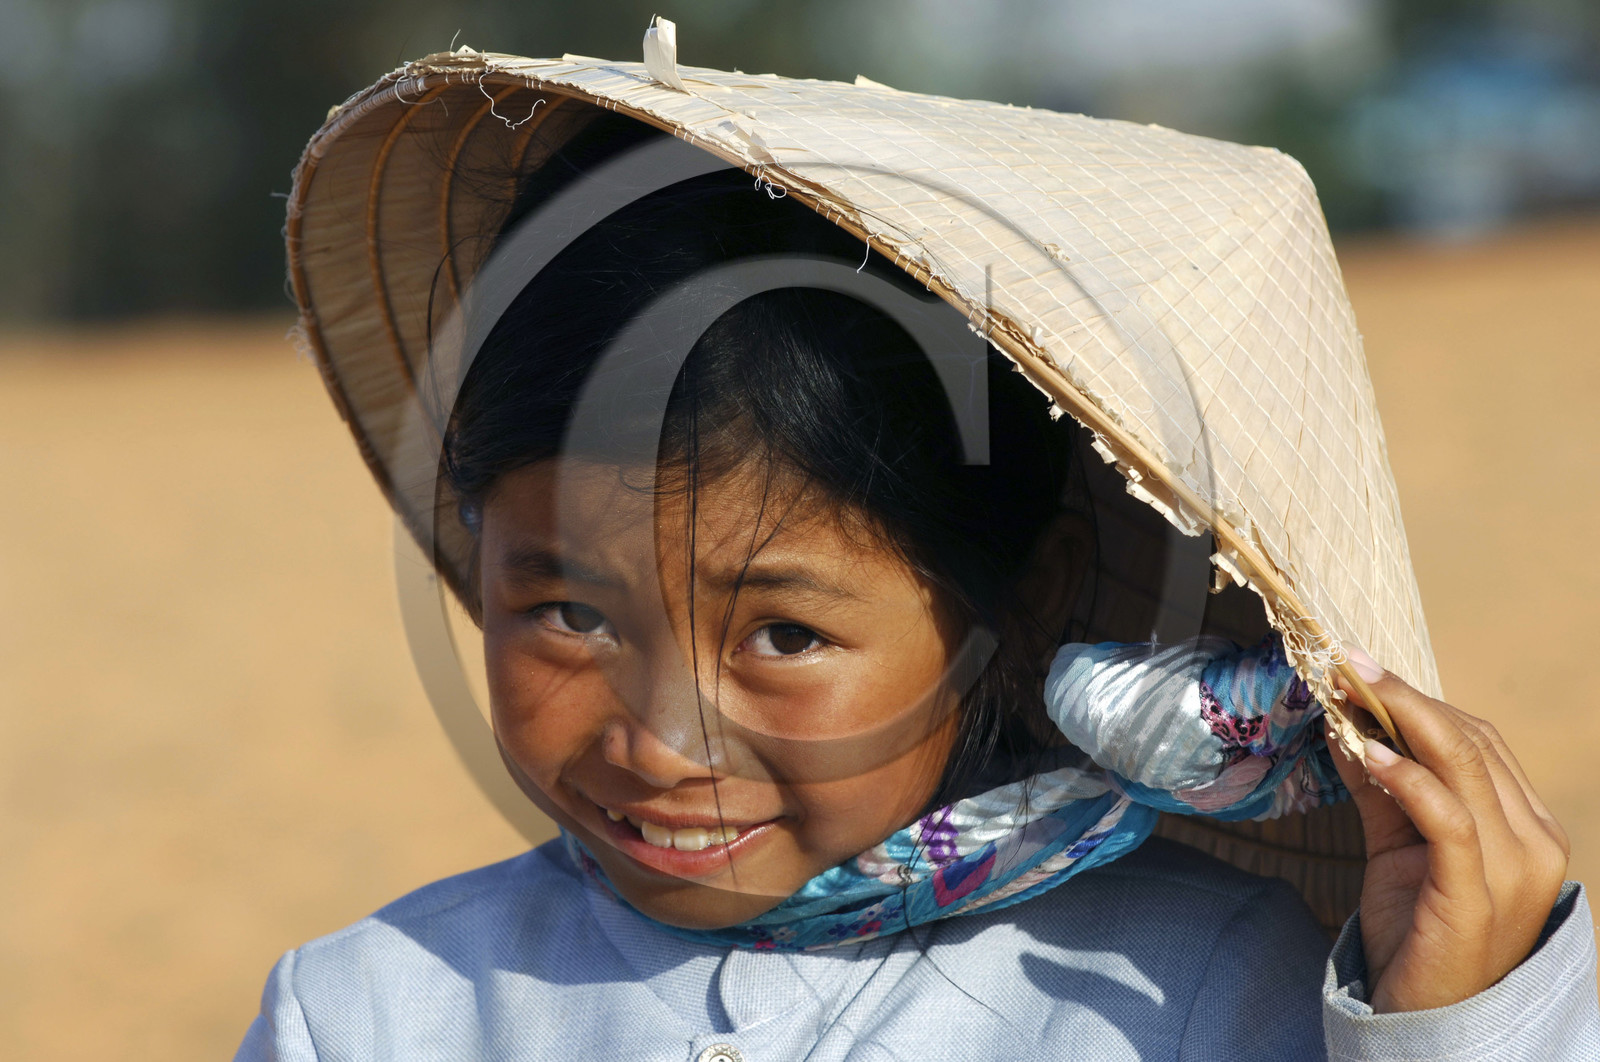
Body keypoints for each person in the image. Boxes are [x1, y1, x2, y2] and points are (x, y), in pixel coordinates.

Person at [240, 98, 1600, 1061]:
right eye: (570, 613)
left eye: (781, 631)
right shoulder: (373, 1014)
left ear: (1019, 607)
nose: (656, 738)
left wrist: (1463, 1032)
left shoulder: (1212, 991)